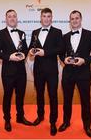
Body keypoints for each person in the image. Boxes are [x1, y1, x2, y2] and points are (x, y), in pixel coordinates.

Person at [59, 10, 91, 138]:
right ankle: (66, 122)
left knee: (85, 101)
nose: (74, 20)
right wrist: (64, 59)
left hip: (83, 74)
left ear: (81, 19)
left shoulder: (90, 34)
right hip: (68, 74)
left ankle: (87, 126)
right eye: (72, 19)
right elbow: (61, 53)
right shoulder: (65, 36)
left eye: (77, 18)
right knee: (67, 100)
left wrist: (85, 61)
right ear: (70, 21)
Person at [0, 9, 32, 132]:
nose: (12, 18)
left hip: (21, 71)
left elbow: (26, 49)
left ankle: (20, 117)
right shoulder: (0, 33)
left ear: (17, 19)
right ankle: (7, 120)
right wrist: (9, 57)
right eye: (9, 16)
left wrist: (24, 55)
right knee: (7, 97)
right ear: (6, 19)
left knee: (20, 96)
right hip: (8, 72)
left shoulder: (22, 33)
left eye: (14, 16)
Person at [29, 8, 63, 136]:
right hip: (38, 70)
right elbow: (32, 47)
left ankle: (53, 122)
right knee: (39, 95)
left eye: (49, 16)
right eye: (44, 16)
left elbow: (61, 49)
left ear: (51, 18)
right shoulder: (35, 32)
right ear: (41, 18)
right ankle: (40, 116)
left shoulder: (57, 32)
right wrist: (32, 51)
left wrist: (45, 52)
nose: (46, 18)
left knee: (53, 96)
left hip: (52, 71)